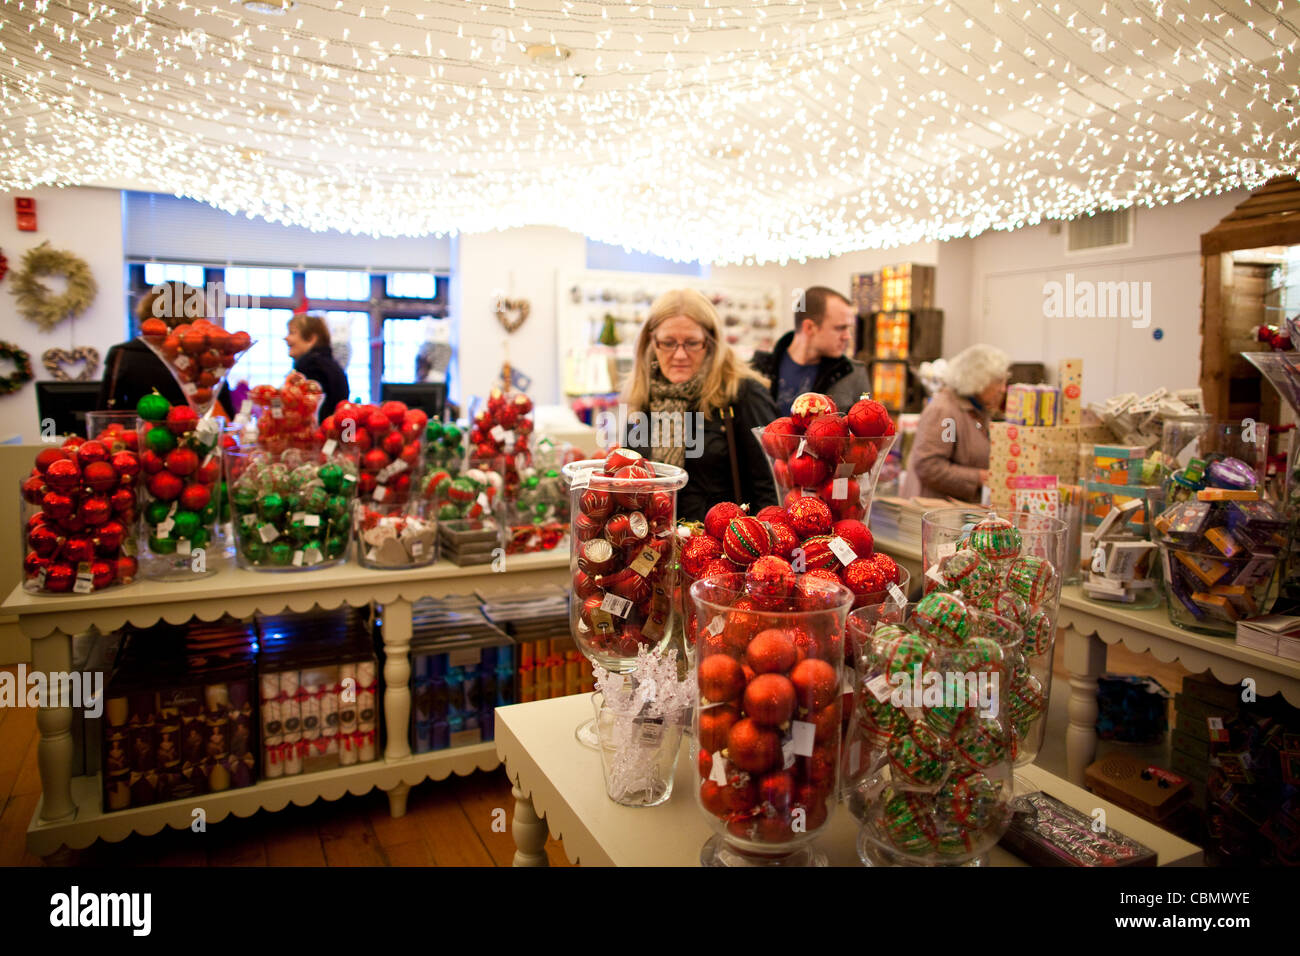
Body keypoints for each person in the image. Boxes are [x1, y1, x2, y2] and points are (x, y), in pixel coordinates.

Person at [621, 289, 778, 522]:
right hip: (656, 545)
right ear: (651, 342)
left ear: (711, 343)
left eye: (692, 343)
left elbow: (769, 488)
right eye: (668, 343)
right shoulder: (643, 395)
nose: (680, 354)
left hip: (724, 550)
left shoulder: (742, 393)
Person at [98, 282, 235, 416]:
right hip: (198, 436)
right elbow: (225, 415)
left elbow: (105, 414)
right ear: (199, 313)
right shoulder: (207, 358)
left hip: (140, 436)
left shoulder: (122, 354)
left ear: (147, 312)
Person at [901, 344, 1010, 502]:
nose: (1003, 389)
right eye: (999, 382)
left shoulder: (977, 410)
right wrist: (979, 477)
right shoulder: (946, 413)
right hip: (935, 513)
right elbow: (930, 466)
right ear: (979, 380)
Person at [751, 286, 871, 416]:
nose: (847, 336)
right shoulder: (757, 370)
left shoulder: (853, 373)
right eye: (840, 328)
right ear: (809, 327)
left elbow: (866, 428)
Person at [286, 312, 350, 422]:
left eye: (292, 333)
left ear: (311, 339)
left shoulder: (309, 364)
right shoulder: (330, 364)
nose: (286, 338)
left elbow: (303, 412)